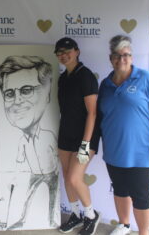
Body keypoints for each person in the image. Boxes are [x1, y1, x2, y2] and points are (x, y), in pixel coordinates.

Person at [97, 35, 149, 235]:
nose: (122, 59)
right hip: (114, 149)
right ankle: (124, 224)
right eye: (118, 56)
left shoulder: (146, 79)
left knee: (141, 195)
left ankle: (143, 232)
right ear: (111, 58)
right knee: (119, 189)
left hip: (141, 151)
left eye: (126, 55)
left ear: (132, 56)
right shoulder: (105, 84)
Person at [0, 55, 59, 229]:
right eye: (9, 93)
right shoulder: (22, 142)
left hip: (51, 173)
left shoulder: (48, 135)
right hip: (35, 174)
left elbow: (56, 155)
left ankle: (50, 220)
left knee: (52, 196)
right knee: (27, 195)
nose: (17, 101)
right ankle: (22, 219)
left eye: (26, 90)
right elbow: (18, 163)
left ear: (47, 94)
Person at [54, 37, 101, 235]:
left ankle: (90, 215)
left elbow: (92, 112)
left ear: (77, 51)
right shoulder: (63, 78)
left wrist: (85, 144)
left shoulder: (86, 76)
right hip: (66, 133)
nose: (64, 56)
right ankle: (75, 215)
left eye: (67, 51)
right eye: (60, 53)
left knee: (74, 178)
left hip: (85, 136)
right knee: (66, 177)